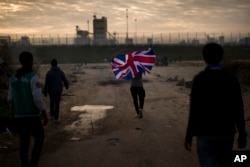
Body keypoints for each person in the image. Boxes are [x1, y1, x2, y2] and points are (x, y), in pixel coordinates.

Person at [185, 43, 247, 167]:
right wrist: (242, 133)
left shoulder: (199, 80)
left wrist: (189, 133)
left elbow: (194, 110)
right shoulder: (231, 79)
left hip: (204, 134)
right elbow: (238, 109)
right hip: (226, 134)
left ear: (204, 58)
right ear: (222, 57)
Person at [8, 51, 48, 167]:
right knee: (40, 137)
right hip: (32, 116)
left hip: (18, 116)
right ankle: (33, 163)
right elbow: (37, 98)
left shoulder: (13, 78)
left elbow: (10, 99)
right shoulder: (33, 77)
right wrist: (44, 112)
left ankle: (25, 164)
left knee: (24, 142)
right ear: (31, 61)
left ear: (20, 62)